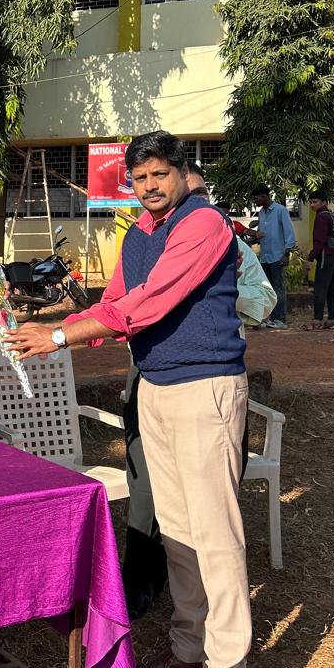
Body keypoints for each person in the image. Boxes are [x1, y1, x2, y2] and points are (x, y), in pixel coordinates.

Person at [6, 131, 251, 668]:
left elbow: (147, 304)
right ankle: (191, 647)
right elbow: (114, 302)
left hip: (205, 388)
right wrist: (56, 326)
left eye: (159, 175)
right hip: (157, 388)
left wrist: (59, 336)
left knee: (215, 534)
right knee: (179, 530)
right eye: (139, 179)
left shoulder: (204, 224)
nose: (149, 187)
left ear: (182, 172)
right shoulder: (138, 233)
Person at [120, 164, 273, 622]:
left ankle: (217, 628)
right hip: (150, 374)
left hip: (210, 377)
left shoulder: (227, 242)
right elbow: (123, 304)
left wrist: (215, 289)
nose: (191, 204)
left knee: (211, 506)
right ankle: (142, 586)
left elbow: (265, 301)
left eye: (200, 195)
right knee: (148, 491)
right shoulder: (145, 242)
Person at [250, 184, 295, 330]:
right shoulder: (261, 213)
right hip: (265, 256)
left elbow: (289, 234)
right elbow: (261, 233)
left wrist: (286, 254)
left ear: (264, 196)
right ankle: (269, 318)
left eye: (256, 198)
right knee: (266, 289)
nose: (255, 202)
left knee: (278, 288)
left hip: (277, 256)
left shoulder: (280, 210)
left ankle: (280, 319)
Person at [305, 191, 334, 331]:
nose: (312, 205)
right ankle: (331, 319)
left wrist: (310, 258)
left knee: (320, 288)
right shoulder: (330, 215)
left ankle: (318, 319)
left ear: (324, 202)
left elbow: (319, 242)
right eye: (310, 202)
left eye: (315, 202)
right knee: (332, 288)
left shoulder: (321, 217)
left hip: (325, 256)